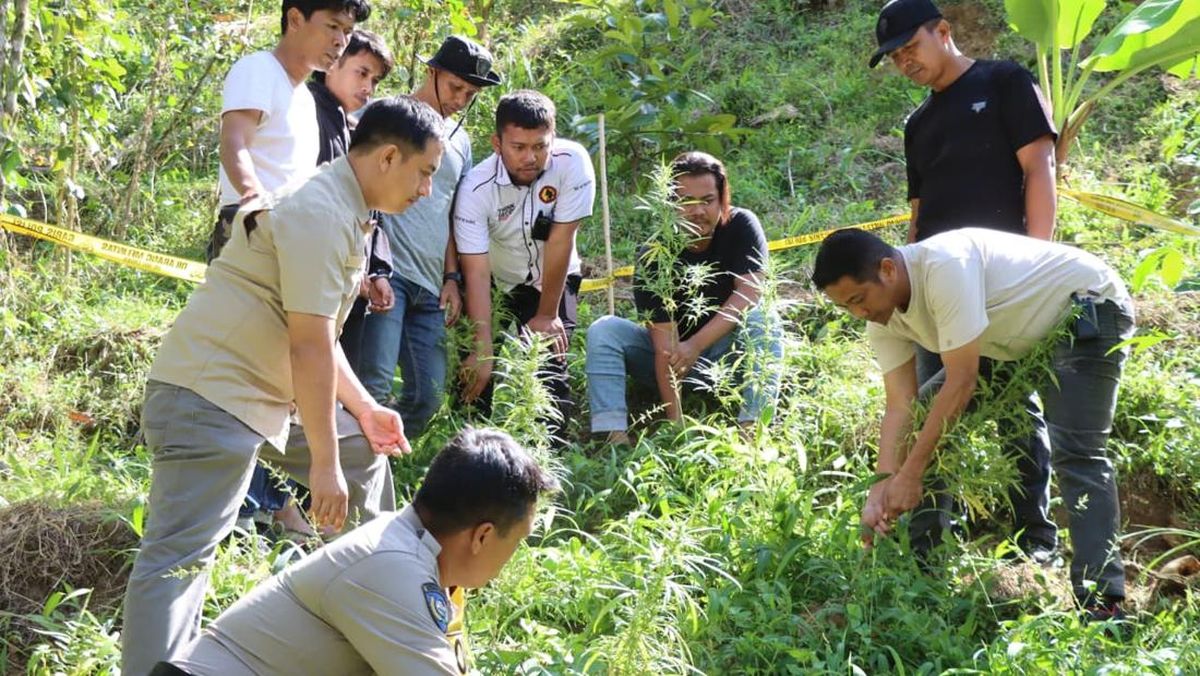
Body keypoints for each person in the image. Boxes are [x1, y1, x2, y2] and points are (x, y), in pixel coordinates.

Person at [121, 97, 445, 675]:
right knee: (178, 561)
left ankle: (385, 603)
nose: (426, 190)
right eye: (424, 173)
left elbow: (317, 332)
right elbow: (308, 346)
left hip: (260, 398)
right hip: (209, 396)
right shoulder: (321, 210)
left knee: (363, 452)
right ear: (389, 157)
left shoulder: (347, 208)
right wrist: (323, 464)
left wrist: (364, 409)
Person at [811, 227, 1135, 621]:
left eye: (859, 299)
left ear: (887, 270)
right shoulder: (883, 319)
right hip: (1011, 339)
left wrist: (910, 475)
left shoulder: (945, 266)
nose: (859, 313)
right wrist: (878, 492)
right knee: (924, 419)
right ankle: (924, 573)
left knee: (1077, 452)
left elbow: (961, 382)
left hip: (1085, 309)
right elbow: (900, 406)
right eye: (846, 307)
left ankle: (1103, 602)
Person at [869, 0, 1060, 561]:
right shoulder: (918, 124)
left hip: (1005, 279)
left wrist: (1035, 260)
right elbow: (918, 213)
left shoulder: (1004, 82)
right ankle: (928, 550)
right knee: (934, 414)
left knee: (1014, 407)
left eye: (911, 47)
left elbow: (1040, 169)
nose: (905, 62)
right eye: (895, 57)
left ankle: (1035, 538)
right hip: (935, 289)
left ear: (944, 31)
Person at [151, 427, 559, 676]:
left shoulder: (414, 555)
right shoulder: (393, 568)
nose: (513, 555)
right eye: (517, 540)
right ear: (483, 536)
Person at [236, 28, 397, 542]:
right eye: (360, 71)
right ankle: (258, 508)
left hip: (316, 274)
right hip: (269, 252)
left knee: (304, 385)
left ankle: (284, 507)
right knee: (273, 377)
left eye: (375, 79)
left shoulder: (340, 123)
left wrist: (376, 268)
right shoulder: (301, 105)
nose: (367, 85)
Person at [355, 35, 502, 441]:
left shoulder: (460, 141)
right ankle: (354, 470)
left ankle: (385, 453)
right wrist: (366, 263)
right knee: (374, 385)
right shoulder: (387, 116)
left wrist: (451, 278)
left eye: (470, 94)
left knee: (428, 396)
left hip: (431, 283)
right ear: (431, 72)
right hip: (386, 273)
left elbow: (453, 212)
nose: (460, 99)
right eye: (455, 87)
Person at [585, 151, 782, 444]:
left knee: (763, 317)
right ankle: (615, 438)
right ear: (668, 205)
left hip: (729, 358)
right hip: (676, 361)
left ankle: (752, 429)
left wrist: (696, 345)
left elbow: (750, 292)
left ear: (722, 199)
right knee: (604, 330)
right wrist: (676, 426)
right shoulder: (654, 253)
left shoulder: (741, 225)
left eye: (707, 200)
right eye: (686, 201)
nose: (697, 211)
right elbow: (664, 346)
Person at [454, 90, 596, 440]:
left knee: (549, 369)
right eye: (518, 147)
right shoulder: (475, 189)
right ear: (497, 143)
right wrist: (483, 346)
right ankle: (469, 449)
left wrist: (547, 315)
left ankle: (547, 456)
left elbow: (560, 241)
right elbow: (476, 270)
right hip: (495, 278)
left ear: (553, 138)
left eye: (540, 146)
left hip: (553, 278)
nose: (530, 157)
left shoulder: (572, 162)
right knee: (474, 368)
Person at [204, 0, 371, 262]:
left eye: (348, 31)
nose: (341, 41)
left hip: (293, 237)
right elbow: (234, 142)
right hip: (250, 228)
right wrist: (256, 201)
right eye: (333, 26)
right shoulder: (258, 69)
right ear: (295, 19)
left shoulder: (306, 98)